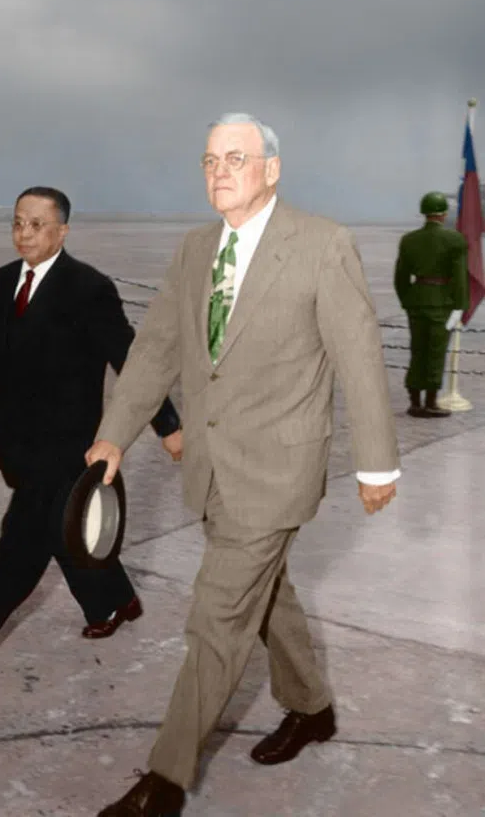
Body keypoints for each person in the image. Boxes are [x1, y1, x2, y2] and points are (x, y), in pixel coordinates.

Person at [86, 113, 401, 817]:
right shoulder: (194, 250)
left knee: (216, 616)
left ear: (272, 168)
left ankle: (164, 782)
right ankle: (311, 706)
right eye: (208, 160)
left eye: (236, 157)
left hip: (277, 471)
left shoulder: (321, 245)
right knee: (267, 593)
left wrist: (377, 464)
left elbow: (356, 354)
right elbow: (156, 348)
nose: (219, 171)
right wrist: (114, 434)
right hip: (210, 466)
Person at [0, 186, 182, 701]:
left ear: (62, 231)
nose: (25, 234)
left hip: (67, 449)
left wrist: (168, 424)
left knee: (18, 548)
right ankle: (116, 600)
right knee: (65, 534)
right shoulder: (1, 282)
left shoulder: (89, 287)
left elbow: (131, 362)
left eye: (37, 225)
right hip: (15, 441)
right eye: (18, 223)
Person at [394, 191, 469, 418]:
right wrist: (459, 306)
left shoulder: (409, 240)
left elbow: (400, 278)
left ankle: (414, 402)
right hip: (441, 304)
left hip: (417, 302)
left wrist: (408, 301)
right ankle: (431, 403)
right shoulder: (455, 240)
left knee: (417, 351)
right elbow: (459, 277)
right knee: (436, 353)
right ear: (444, 214)